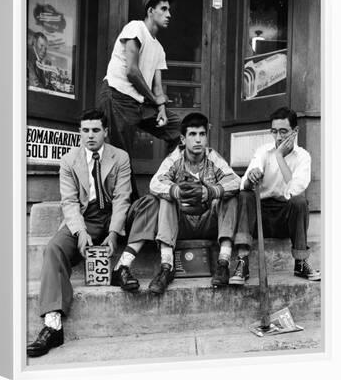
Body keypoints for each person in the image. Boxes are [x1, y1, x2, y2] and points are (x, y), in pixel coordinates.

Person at [27, 109, 132, 358]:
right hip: (85, 218)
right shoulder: (69, 160)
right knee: (54, 248)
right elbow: (69, 202)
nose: (90, 135)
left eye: (96, 130)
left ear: (106, 132)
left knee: (140, 213)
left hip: (114, 216)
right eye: (85, 130)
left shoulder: (120, 157)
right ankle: (53, 325)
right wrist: (81, 232)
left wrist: (115, 233)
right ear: (80, 132)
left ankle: (123, 268)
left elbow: (122, 198)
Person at [111, 112, 241, 294]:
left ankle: (223, 263)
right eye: (192, 134)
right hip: (181, 225)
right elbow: (155, 183)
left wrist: (211, 191)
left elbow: (236, 181)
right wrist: (176, 191)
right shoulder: (174, 159)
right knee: (166, 196)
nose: (198, 140)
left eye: (202, 134)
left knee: (230, 195)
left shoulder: (213, 158)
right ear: (182, 138)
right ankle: (166, 267)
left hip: (208, 222)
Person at [98, 0, 182, 199]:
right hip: (117, 96)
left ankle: (164, 182)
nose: (169, 14)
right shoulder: (136, 27)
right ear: (151, 11)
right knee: (120, 160)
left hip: (140, 103)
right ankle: (128, 211)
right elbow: (132, 71)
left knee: (179, 129)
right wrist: (155, 101)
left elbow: (158, 88)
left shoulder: (159, 49)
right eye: (164, 9)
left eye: (169, 9)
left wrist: (161, 109)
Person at [229, 106, 320, 285]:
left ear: (295, 131)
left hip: (284, 219)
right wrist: (251, 177)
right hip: (259, 218)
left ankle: (300, 262)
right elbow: (243, 184)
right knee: (246, 195)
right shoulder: (263, 151)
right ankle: (242, 261)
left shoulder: (303, 157)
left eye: (284, 132)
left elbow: (294, 188)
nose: (278, 137)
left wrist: (279, 156)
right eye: (274, 132)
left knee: (300, 201)